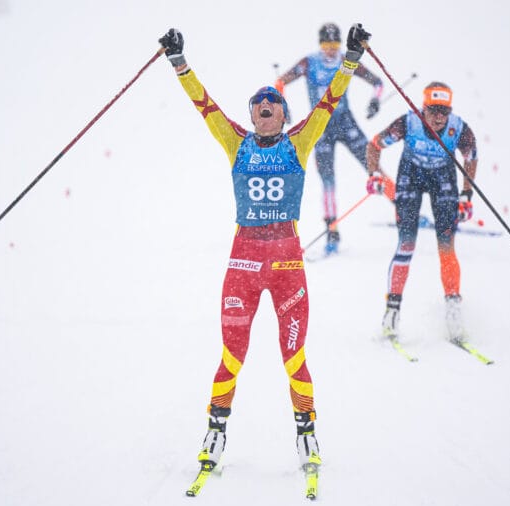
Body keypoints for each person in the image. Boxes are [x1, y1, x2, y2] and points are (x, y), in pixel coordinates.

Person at [157, 24, 372, 473]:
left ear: (283, 114)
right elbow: (204, 105)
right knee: (232, 355)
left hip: (288, 265)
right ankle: (215, 433)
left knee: (294, 357)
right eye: (258, 104)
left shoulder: (300, 141)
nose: (265, 106)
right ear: (253, 115)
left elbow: (329, 101)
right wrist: (179, 62)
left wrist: (350, 58)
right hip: (243, 265)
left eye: (272, 102)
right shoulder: (235, 141)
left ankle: (307, 435)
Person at [365, 81, 478, 342]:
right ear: (423, 108)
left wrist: (466, 195)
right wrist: (374, 174)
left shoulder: (459, 128)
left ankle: (453, 311)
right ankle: (392, 312)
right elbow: (374, 145)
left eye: (444, 111)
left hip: (443, 179)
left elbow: (471, 157)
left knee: (446, 246)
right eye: (433, 110)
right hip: (411, 177)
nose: (439, 117)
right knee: (406, 245)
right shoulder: (408, 123)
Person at [275, 22, 384, 255]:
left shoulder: (346, 60)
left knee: (373, 166)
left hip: (346, 123)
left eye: (334, 44)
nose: (331, 50)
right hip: (320, 127)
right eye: (327, 45)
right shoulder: (309, 63)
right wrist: (282, 105)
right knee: (327, 179)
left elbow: (378, 83)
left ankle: (404, 208)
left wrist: (375, 101)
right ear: (320, 44)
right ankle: (332, 230)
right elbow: (280, 82)